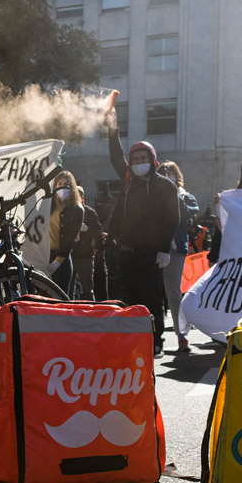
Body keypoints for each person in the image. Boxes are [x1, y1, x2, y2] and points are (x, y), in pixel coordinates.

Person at [106, 117, 180, 355]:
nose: (138, 163)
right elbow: (116, 157)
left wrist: (164, 249)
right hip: (128, 252)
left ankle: (156, 339)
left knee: (152, 298)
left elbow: (173, 218)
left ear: (152, 160)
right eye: (135, 159)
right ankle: (135, 338)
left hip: (152, 254)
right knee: (131, 298)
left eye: (143, 159)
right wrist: (112, 128)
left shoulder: (165, 186)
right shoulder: (128, 182)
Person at [157, 161, 199, 353]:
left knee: (173, 292)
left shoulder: (185, 196)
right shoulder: (154, 194)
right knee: (154, 291)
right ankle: (153, 334)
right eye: (164, 172)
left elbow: (187, 216)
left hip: (175, 250)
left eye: (171, 172)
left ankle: (181, 333)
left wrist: (173, 191)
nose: (167, 175)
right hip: (154, 247)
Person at [47, 171, 83, 294]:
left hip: (61, 260)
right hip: (44, 255)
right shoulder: (49, 206)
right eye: (60, 183)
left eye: (67, 184)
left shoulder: (77, 210)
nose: (62, 186)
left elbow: (70, 239)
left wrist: (57, 261)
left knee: (60, 298)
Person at [72, 185, 103, 300]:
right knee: (71, 289)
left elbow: (98, 232)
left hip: (85, 255)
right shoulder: (69, 211)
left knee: (88, 288)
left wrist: (87, 229)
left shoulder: (89, 213)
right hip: (71, 253)